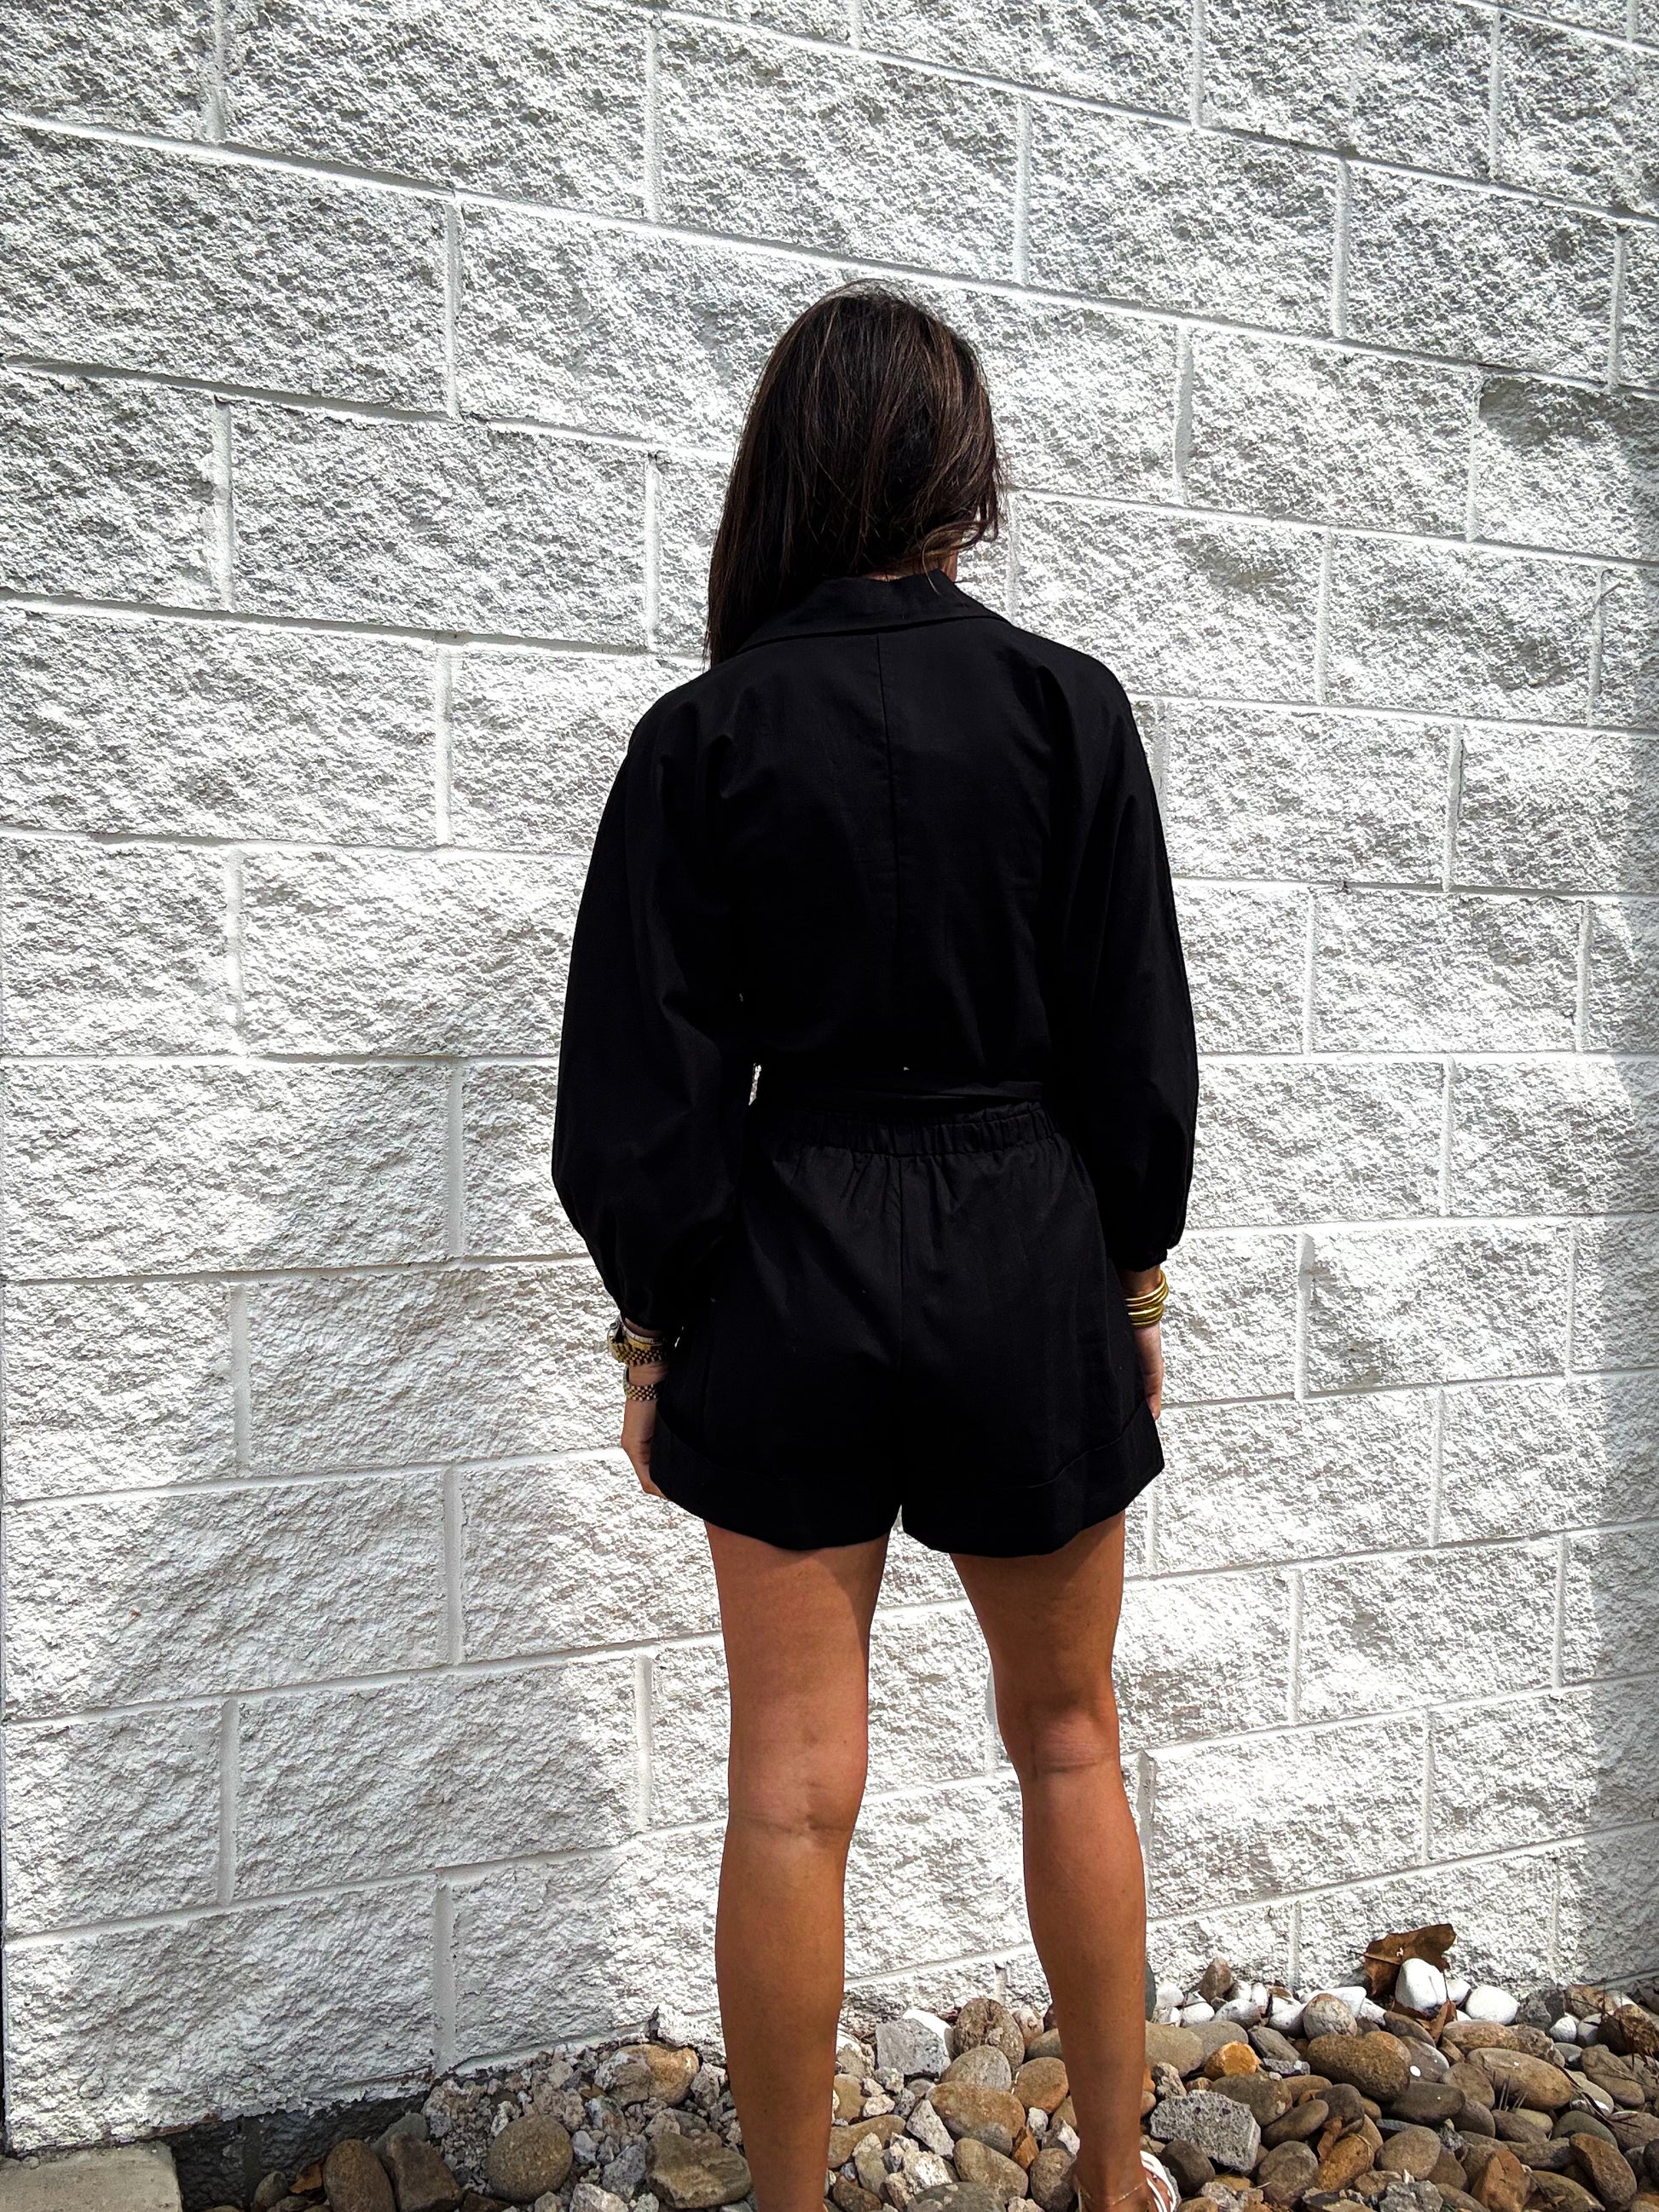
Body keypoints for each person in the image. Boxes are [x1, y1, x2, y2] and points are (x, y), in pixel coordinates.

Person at [553, 286, 1199, 2212]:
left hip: (793, 1251)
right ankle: (1111, 2182)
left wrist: (655, 1329)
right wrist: (1129, 1278)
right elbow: (1136, 1044)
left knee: (787, 1788)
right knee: (1069, 1739)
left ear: (783, 468)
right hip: (1022, 1244)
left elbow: (643, 1074)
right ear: (957, 468)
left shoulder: (704, 734)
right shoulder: (1068, 709)